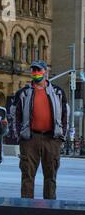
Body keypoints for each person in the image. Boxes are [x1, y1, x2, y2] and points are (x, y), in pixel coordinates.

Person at [15, 60, 68, 200]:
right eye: (33, 70)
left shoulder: (58, 92)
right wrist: (20, 135)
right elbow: (16, 115)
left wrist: (61, 136)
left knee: (50, 176)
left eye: (39, 70)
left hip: (51, 139)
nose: (36, 73)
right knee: (27, 175)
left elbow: (64, 116)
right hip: (30, 139)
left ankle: (50, 208)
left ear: (46, 72)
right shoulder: (23, 93)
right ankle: (26, 209)